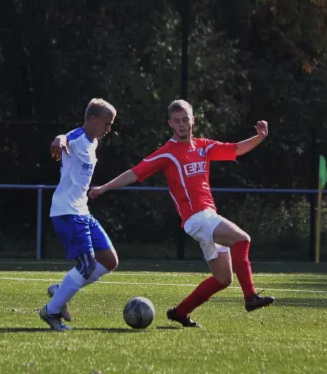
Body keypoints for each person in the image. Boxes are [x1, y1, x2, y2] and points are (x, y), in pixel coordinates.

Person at [89, 99, 275, 328]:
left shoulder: (203, 146)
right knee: (242, 238)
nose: (182, 124)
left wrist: (259, 137)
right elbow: (134, 173)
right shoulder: (167, 153)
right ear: (170, 124)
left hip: (207, 216)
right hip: (197, 218)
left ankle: (179, 312)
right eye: (176, 121)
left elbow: (236, 149)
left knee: (223, 279)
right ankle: (250, 297)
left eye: (185, 119)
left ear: (192, 121)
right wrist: (103, 187)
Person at [40, 98, 119, 331]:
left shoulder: (92, 143)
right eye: (106, 123)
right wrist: (58, 139)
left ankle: (59, 291)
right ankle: (51, 312)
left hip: (81, 211)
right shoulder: (76, 138)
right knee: (86, 264)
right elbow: (65, 137)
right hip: (67, 211)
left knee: (110, 261)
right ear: (92, 119)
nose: (108, 129)